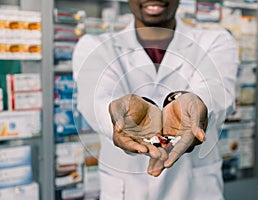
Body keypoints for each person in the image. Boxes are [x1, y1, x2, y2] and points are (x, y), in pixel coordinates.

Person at [73, 0, 239, 199]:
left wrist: (198, 103)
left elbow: (217, 90)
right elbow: (94, 98)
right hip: (127, 188)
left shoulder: (216, 41)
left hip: (195, 188)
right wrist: (115, 115)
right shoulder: (93, 46)